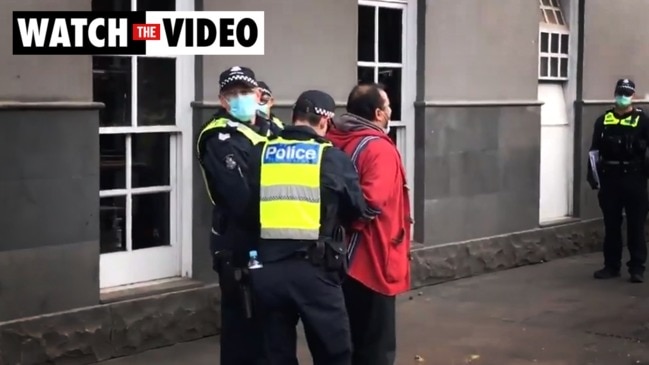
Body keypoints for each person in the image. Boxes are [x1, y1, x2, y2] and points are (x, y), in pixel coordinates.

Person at [246, 90, 375, 365]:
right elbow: (357, 210)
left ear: (294, 117)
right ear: (325, 123)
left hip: (267, 269)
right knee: (334, 353)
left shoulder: (261, 152)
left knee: (274, 354)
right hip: (315, 271)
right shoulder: (332, 158)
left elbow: (244, 206)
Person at [195, 65, 283, 365]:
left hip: (275, 242)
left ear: (259, 94)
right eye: (232, 95)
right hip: (239, 242)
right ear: (222, 101)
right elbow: (241, 199)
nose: (240, 99)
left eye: (245, 92)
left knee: (272, 326)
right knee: (242, 328)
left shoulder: (273, 128)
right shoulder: (220, 138)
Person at [327, 83, 412, 365]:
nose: (390, 111)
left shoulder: (333, 138)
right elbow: (372, 204)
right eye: (388, 106)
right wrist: (355, 228)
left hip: (338, 258)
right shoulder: (379, 149)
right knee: (376, 346)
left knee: (348, 340)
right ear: (378, 113)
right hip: (373, 260)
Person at [588, 78, 649, 283]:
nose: (623, 97)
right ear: (615, 94)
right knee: (612, 225)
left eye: (627, 93)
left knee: (636, 224)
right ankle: (611, 266)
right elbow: (594, 151)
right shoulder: (603, 121)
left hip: (635, 177)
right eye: (620, 93)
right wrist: (594, 177)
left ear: (633, 96)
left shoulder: (643, 120)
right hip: (610, 178)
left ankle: (637, 267)